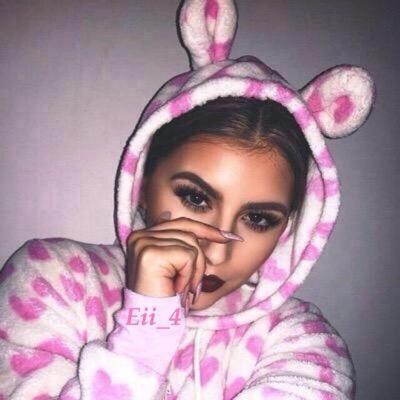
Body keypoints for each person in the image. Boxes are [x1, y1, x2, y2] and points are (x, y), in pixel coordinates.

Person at [0, 0, 376, 399]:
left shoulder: (304, 343)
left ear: (287, 228)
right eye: (195, 198)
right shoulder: (51, 279)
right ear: (142, 182)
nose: (216, 249)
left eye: (258, 219)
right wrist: (147, 329)